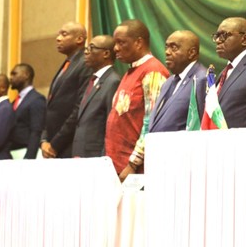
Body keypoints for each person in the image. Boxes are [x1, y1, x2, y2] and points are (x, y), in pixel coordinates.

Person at [105, 20, 169, 181]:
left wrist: (132, 164)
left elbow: (152, 123)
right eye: (115, 43)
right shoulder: (131, 71)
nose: (115, 48)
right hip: (115, 166)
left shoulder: (152, 71)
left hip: (133, 171)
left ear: (139, 42)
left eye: (121, 43)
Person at [52, 35, 121, 157]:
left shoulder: (112, 81)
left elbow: (111, 126)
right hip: (81, 153)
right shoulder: (94, 80)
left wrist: (104, 159)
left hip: (96, 156)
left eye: (92, 47)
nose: (86, 51)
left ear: (105, 53)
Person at [40, 22, 92, 158]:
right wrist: (44, 139)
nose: (58, 38)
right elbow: (51, 106)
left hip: (68, 146)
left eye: (64, 34)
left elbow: (78, 108)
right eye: (58, 34)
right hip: (52, 144)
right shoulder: (67, 63)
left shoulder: (85, 64)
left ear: (79, 39)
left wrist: (55, 144)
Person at [149, 30, 207, 133]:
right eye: (166, 47)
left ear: (191, 53)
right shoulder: (169, 82)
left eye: (174, 47)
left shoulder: (201, 79)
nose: (167, 52)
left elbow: (202, 124)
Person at [9, 63, 46, 159]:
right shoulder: (15, 101)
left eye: (14, 74)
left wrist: (29, 157)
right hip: (12, 152)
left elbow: (36, 131)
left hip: (25, 152)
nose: (11, 78)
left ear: (26, 75)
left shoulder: (36, 99)